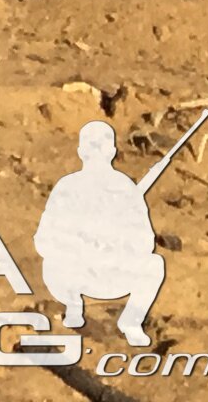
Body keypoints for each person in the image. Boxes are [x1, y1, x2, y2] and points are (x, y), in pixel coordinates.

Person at [35, 120, 167, 347]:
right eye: (92, 145)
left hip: (112, 273)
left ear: (112, 151)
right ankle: (73, 307)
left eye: (101, 146)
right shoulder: (67, 187)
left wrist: (116, 242)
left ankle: (131, 321)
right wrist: (78, 242)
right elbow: (43, 240)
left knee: (154, 264)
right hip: (74, 274)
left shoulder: (125, 189)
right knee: (52, 263)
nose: (96, 151)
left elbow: (145, 241)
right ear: (81, 151)